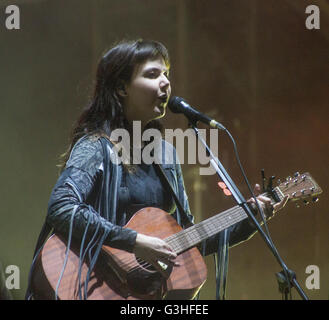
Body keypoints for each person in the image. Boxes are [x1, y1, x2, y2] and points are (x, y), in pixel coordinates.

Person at [26, 39, 288, 300]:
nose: (165, 82)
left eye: (166, 74)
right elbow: (62, 207)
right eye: (152, 74)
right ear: (121, 88)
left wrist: (251, 218)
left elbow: (189, 241)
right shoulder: (96, 146)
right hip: (87, 285)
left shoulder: (165, 155)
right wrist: (133, 241)